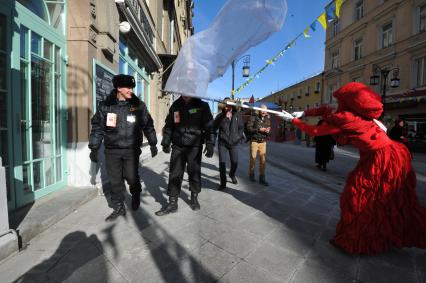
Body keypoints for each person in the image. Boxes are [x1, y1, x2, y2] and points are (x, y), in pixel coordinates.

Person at [281, 82, 426, 255]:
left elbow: (314, 131)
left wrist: (294, 120)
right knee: (389, 198)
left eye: (340, 100)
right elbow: (327, 110)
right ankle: (385, 233)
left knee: (358, 195)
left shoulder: (346, 119)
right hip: (392, 153)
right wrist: (306, 112)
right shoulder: (359, 115)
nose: (337, 103)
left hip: (382, 158)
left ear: (348, 101)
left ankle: (358, 238)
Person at [89, 74, 158, 222]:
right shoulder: (105, 106)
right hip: (112, 150)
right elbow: (97, 128)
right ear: (118, 88)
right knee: (115, 180)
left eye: (132, 87)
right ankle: (119, 206)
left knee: (132, 177)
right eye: (128, 87)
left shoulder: (138, 106)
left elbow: (148, 124)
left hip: (131, 150)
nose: (131, 90)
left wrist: (153, 143)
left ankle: (136, 193)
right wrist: (94, 147)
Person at [155, 95, 215, 216]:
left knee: (194, 172)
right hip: (178, 145)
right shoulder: (175, 106)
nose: (186, 94)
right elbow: (169, 125)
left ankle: (194, 197)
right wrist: (166, 141)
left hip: (195, 145)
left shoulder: (202, 106)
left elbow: (210, 127)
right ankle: (172, 203)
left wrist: (210, 144)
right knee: (175, 173)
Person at [213, 98, 245, 190]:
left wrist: (238, 137)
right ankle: (223, 182)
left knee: (235, 162)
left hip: (234, 143)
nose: (228, 107)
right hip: (222, 142)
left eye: (230, 104)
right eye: (226, 105)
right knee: (222, 163)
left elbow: (241, 127)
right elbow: (214, 128)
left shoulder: (237, 115)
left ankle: (232, 174)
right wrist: (224, 117)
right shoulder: (220, 116)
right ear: (224, 105)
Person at [246, 104, 271, 186]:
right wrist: (258, 129)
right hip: (254, 141)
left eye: (265, 110)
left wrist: (268, 131)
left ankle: (262, 178)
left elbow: (269, 132)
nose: (264, 111)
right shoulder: (253, 117)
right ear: (259, 110)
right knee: (253, 159)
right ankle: (251, 175)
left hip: (263, 142)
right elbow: (248, 128)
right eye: (262, 110)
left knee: (263, 161)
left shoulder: (267, 119)